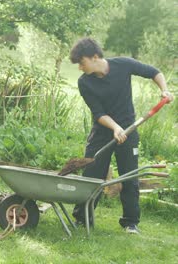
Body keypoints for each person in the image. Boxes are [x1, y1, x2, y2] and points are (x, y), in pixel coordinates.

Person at [69, 37, 174, 234]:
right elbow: (98, 113)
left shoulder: (123, 65)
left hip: (129, 131)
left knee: (129, 176)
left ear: (94, 57)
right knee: (92, 174)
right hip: (102, 132)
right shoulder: (85, 82)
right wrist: (116, 128)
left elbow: (154, 72)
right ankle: (83, 219)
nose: (80, 68)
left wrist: (164, 90)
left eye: (82, 63)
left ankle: (130, 222)